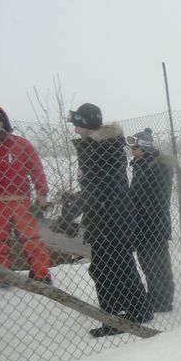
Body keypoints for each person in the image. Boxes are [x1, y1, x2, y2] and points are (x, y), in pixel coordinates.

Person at [68, 103, 152, 336]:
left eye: (77, 125)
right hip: (112, 218)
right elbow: (95, 186)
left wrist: (70, 214)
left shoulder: (100, 149)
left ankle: (113, 319)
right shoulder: (102, 147)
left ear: (86, 125)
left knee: (105, 269)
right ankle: (138, 310)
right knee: (120, 266)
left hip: (108, 219)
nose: (75, 130)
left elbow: (95, 189)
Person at [0, 104, 52, 287]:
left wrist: (42, 194)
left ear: (4, 122)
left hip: (21, 201)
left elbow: (36, 169)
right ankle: (2, 277)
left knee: (32, 239)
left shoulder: (20, 143)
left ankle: (41, 274)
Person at [127, 128, 175, 312]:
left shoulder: (155, 167)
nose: (132, 153)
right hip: (148, 223)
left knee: (156, 263)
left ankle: (161, 300)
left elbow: (140, 196)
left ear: (144, 148)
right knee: (150, 263)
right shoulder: (145, 166)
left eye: (135, 149)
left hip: (152, 223)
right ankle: (157, 297)